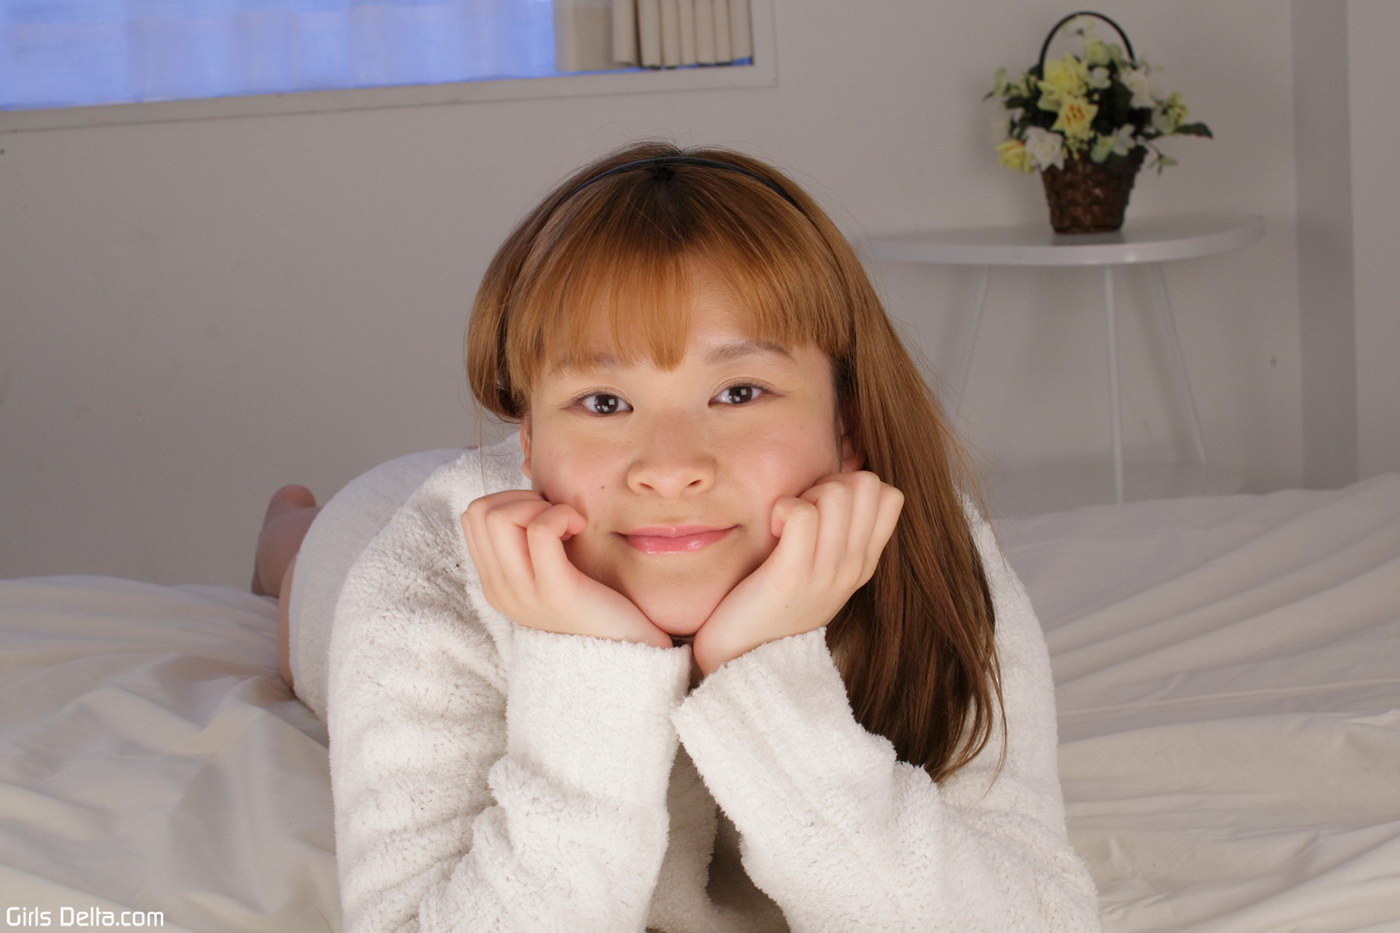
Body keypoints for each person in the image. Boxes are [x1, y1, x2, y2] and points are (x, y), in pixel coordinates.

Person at [252, 141, 1102, 932]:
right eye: (605, 402)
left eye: (738, 393)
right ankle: (284, 537)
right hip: (369, 526)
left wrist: (763, 668)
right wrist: (589, 666)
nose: (669, 467)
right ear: (530, 440)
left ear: (846, 421)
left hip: (597, 515)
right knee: (303, 574)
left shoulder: (935, 553)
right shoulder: (424, 575)